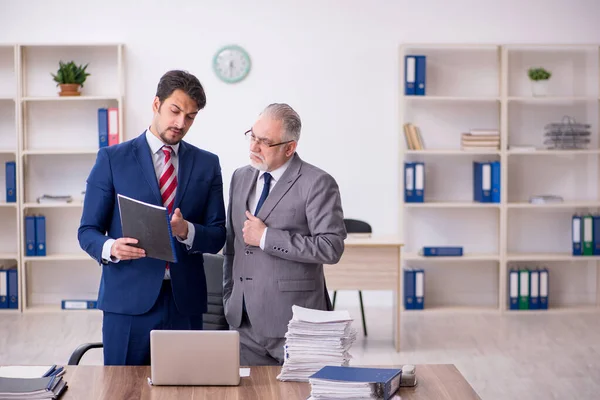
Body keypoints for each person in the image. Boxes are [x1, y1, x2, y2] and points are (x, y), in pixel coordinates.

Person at [78, 70, 226, 365]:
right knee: (123, 391)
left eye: (190, 116)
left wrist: (187, 231)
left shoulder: (207, 164)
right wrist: (111, 248)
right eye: (175, 110)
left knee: (187, 388)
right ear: (156, 104)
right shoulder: (112, 159)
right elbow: (87, 231)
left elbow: (218, 234)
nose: (181, 123)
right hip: (127, 299)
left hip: (184, 301)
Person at [223, 103, 347, 366]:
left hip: (294, 323)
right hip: (242, 321)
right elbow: (233, 245)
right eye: (253, 136)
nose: (254, 147)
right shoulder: (240, 177)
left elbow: (331, 246)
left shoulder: (317, 183)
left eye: (265, 142)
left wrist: (267, 237)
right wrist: (229, 296)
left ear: (289, 148)